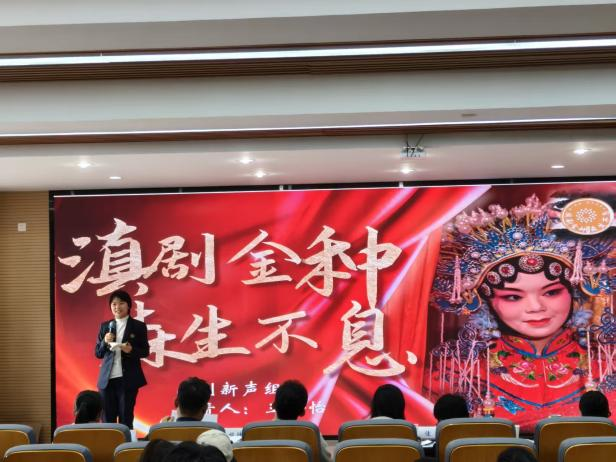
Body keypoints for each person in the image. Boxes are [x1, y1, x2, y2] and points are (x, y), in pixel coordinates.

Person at [428, 195, 615, 432]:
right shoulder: (457, 371)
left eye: (551, 292)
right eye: (513, 297)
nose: (536, 307)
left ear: (572, 292)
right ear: (487, 300)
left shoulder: (607, 366)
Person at [95, 289, 150, 429]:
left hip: (128, 379)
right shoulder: (105, 326)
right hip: (107, 381)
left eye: (121, 303)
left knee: (126, 419)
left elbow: (145, 351)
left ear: (128, 305)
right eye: (114, 304)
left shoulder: (138, 326)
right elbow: (98, 353)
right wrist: (104, 342)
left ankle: (125, 443)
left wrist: (130, 350)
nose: (117, 307)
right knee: (107, 421)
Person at [273, 380, 332, 462]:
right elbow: (326, 460)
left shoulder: (256, 432)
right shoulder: (311, 433)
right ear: (302, 412)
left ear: (273, 405)